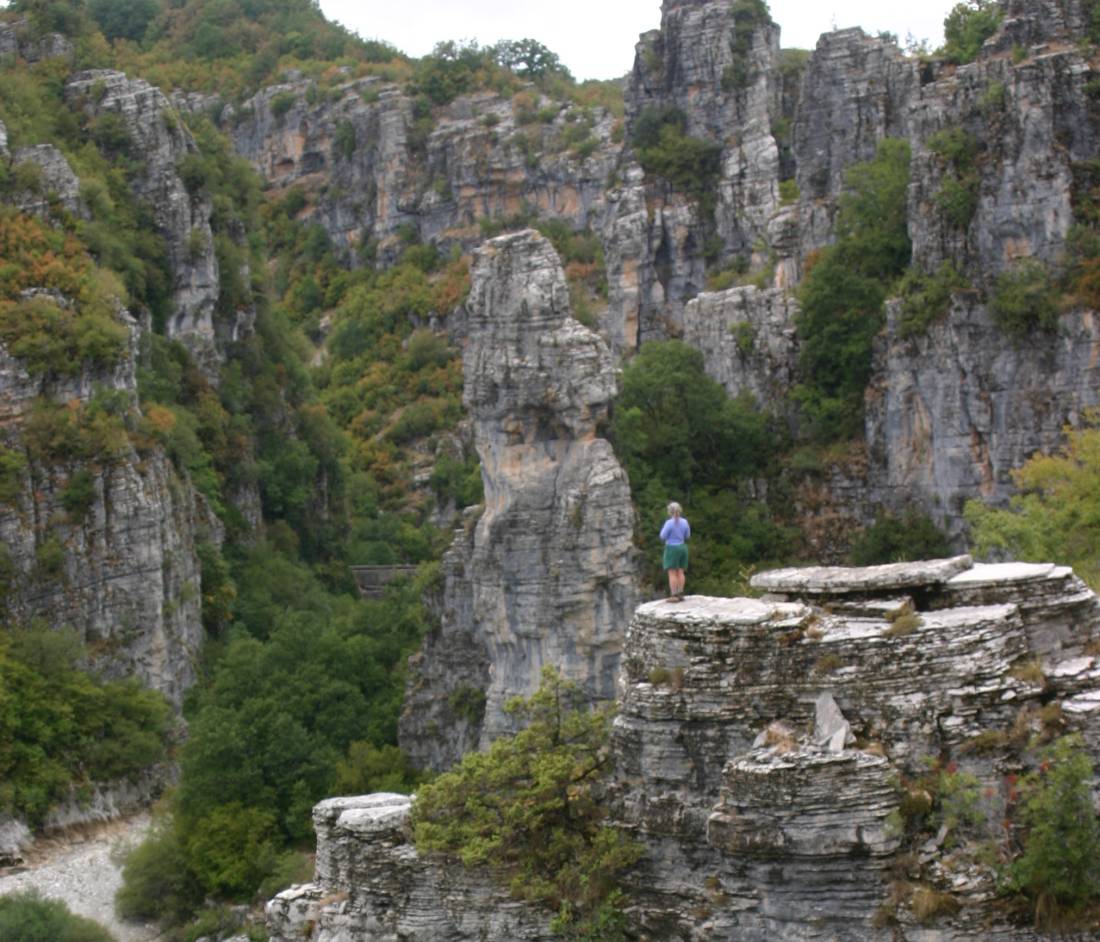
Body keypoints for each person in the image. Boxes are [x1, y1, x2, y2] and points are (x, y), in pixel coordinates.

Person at [659, 501, 690, 601]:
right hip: (683, 547)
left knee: (672, 573)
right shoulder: (685, 522)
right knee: (680, 572)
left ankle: (674, 595)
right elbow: (687, 535)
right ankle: (680, 593)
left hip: (672, 548)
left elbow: (662, 536)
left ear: (669, 512)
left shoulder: (669, 523)